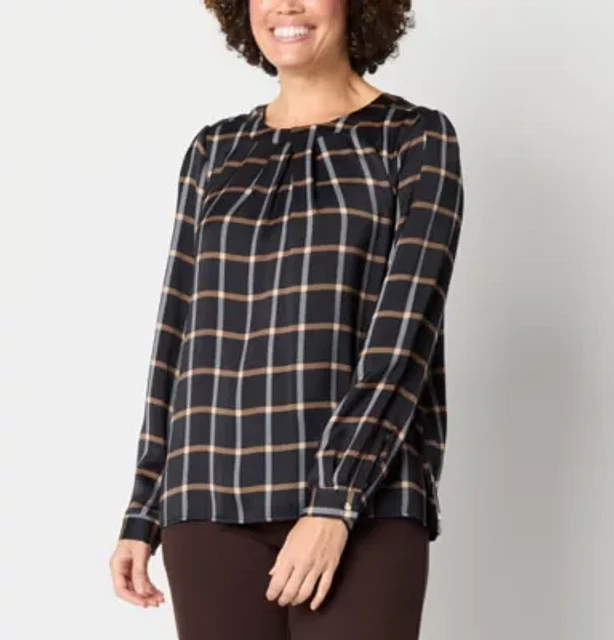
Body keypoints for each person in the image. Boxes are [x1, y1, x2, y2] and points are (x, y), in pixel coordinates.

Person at [109, 1, 465, 638]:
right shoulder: (214, 150)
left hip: (369, 498)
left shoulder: (414, 138)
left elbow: (403, 337)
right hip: (207, 493)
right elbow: (178, 331)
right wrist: (144, 507)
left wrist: (336, 500)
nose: (285, 5)